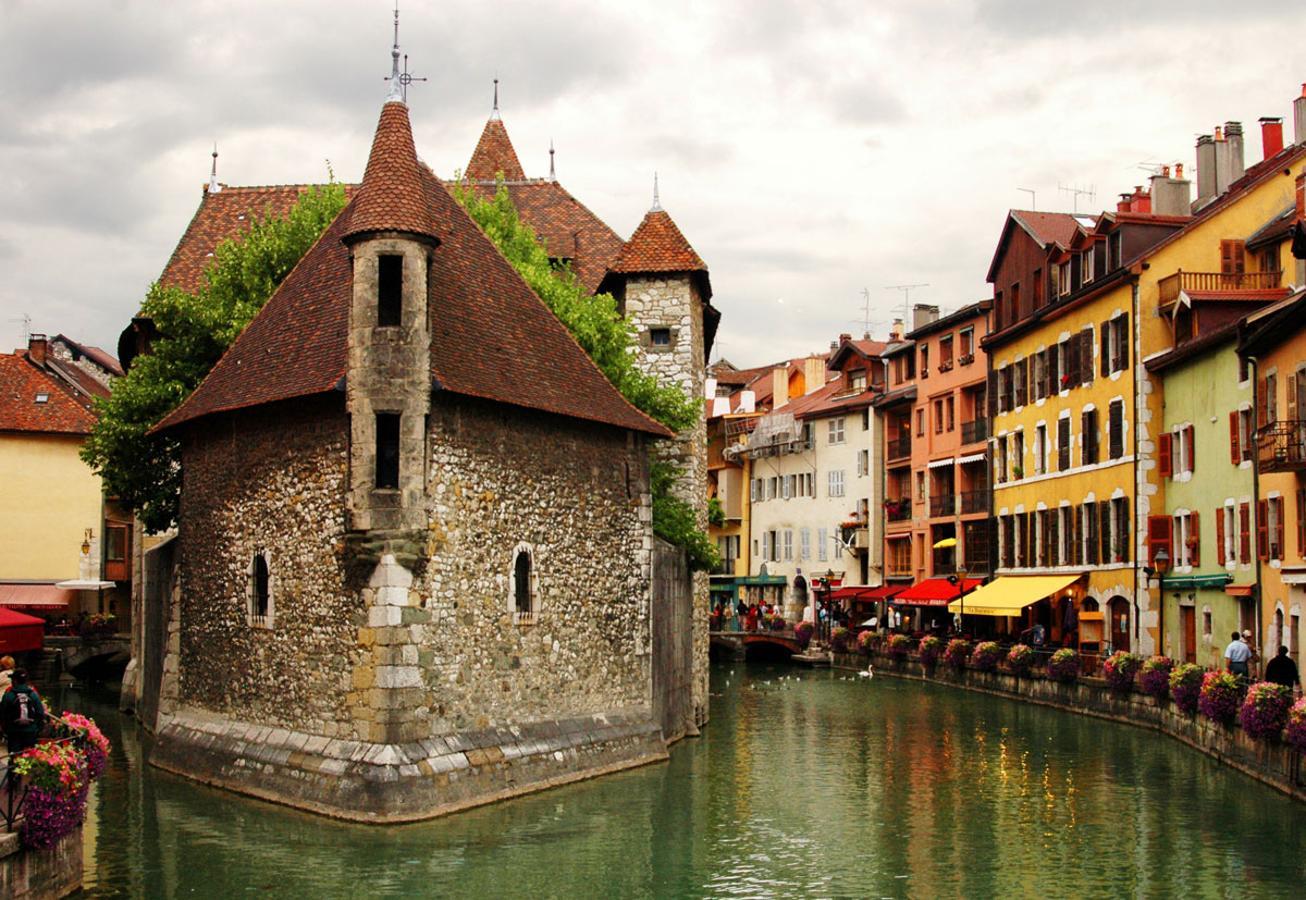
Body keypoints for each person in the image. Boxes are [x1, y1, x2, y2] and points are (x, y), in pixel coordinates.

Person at [0, 669, 46, 756]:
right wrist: (37, 727)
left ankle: (13, 767)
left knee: (14, 754)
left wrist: (5, 728)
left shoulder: (8, 695)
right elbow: (40, 712)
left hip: (13, 731)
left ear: (15, 681)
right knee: (28, 754)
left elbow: (2, 713)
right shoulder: (33, 694)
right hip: (30, 730)